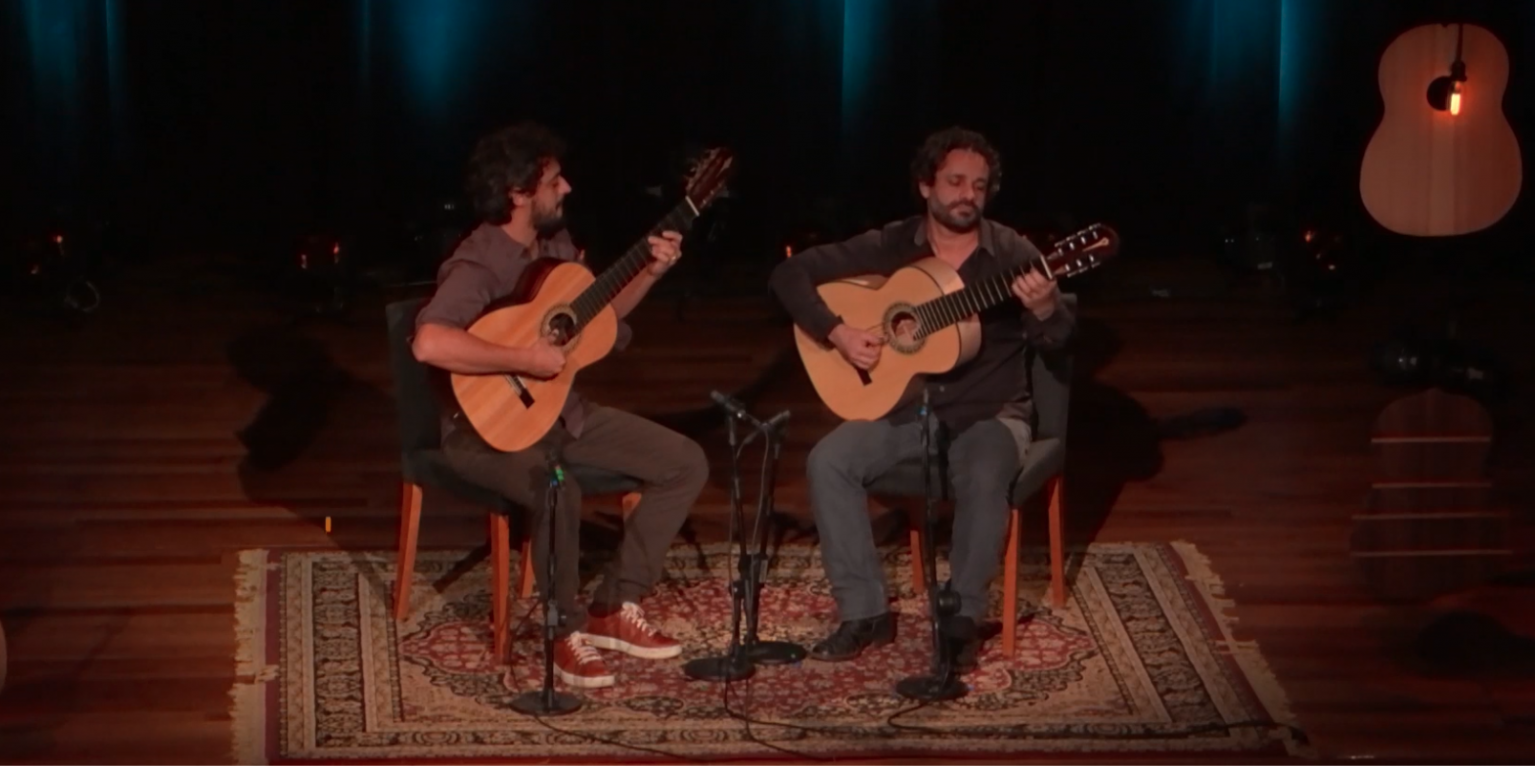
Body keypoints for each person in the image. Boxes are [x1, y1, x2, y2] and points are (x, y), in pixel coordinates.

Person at [412, 122, 709, 689]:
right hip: (481, 431)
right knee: (558, 489)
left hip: (559, 410)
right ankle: (559, 627)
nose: (566, 187)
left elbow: (601, 318)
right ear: (518, 192)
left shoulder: (555, 249)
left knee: (685, 461)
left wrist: (649, 270)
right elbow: (430, 341)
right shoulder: (476, 262)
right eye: (553, 180)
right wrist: (522, 358)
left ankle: (614, 606)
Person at [769, 126, 1075, 669]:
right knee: (829, 460)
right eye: (955, 182)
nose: (967, 196)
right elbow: (790, 274)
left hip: (991, 413)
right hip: (907, 408)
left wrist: (1048, 308)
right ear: (925, 186)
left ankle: (960, 618)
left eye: (979, 187)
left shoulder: (1012, 254)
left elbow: (1058, 342)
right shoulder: (892, 244)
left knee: (982, 474)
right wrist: (837, 331)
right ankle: (863, 612)